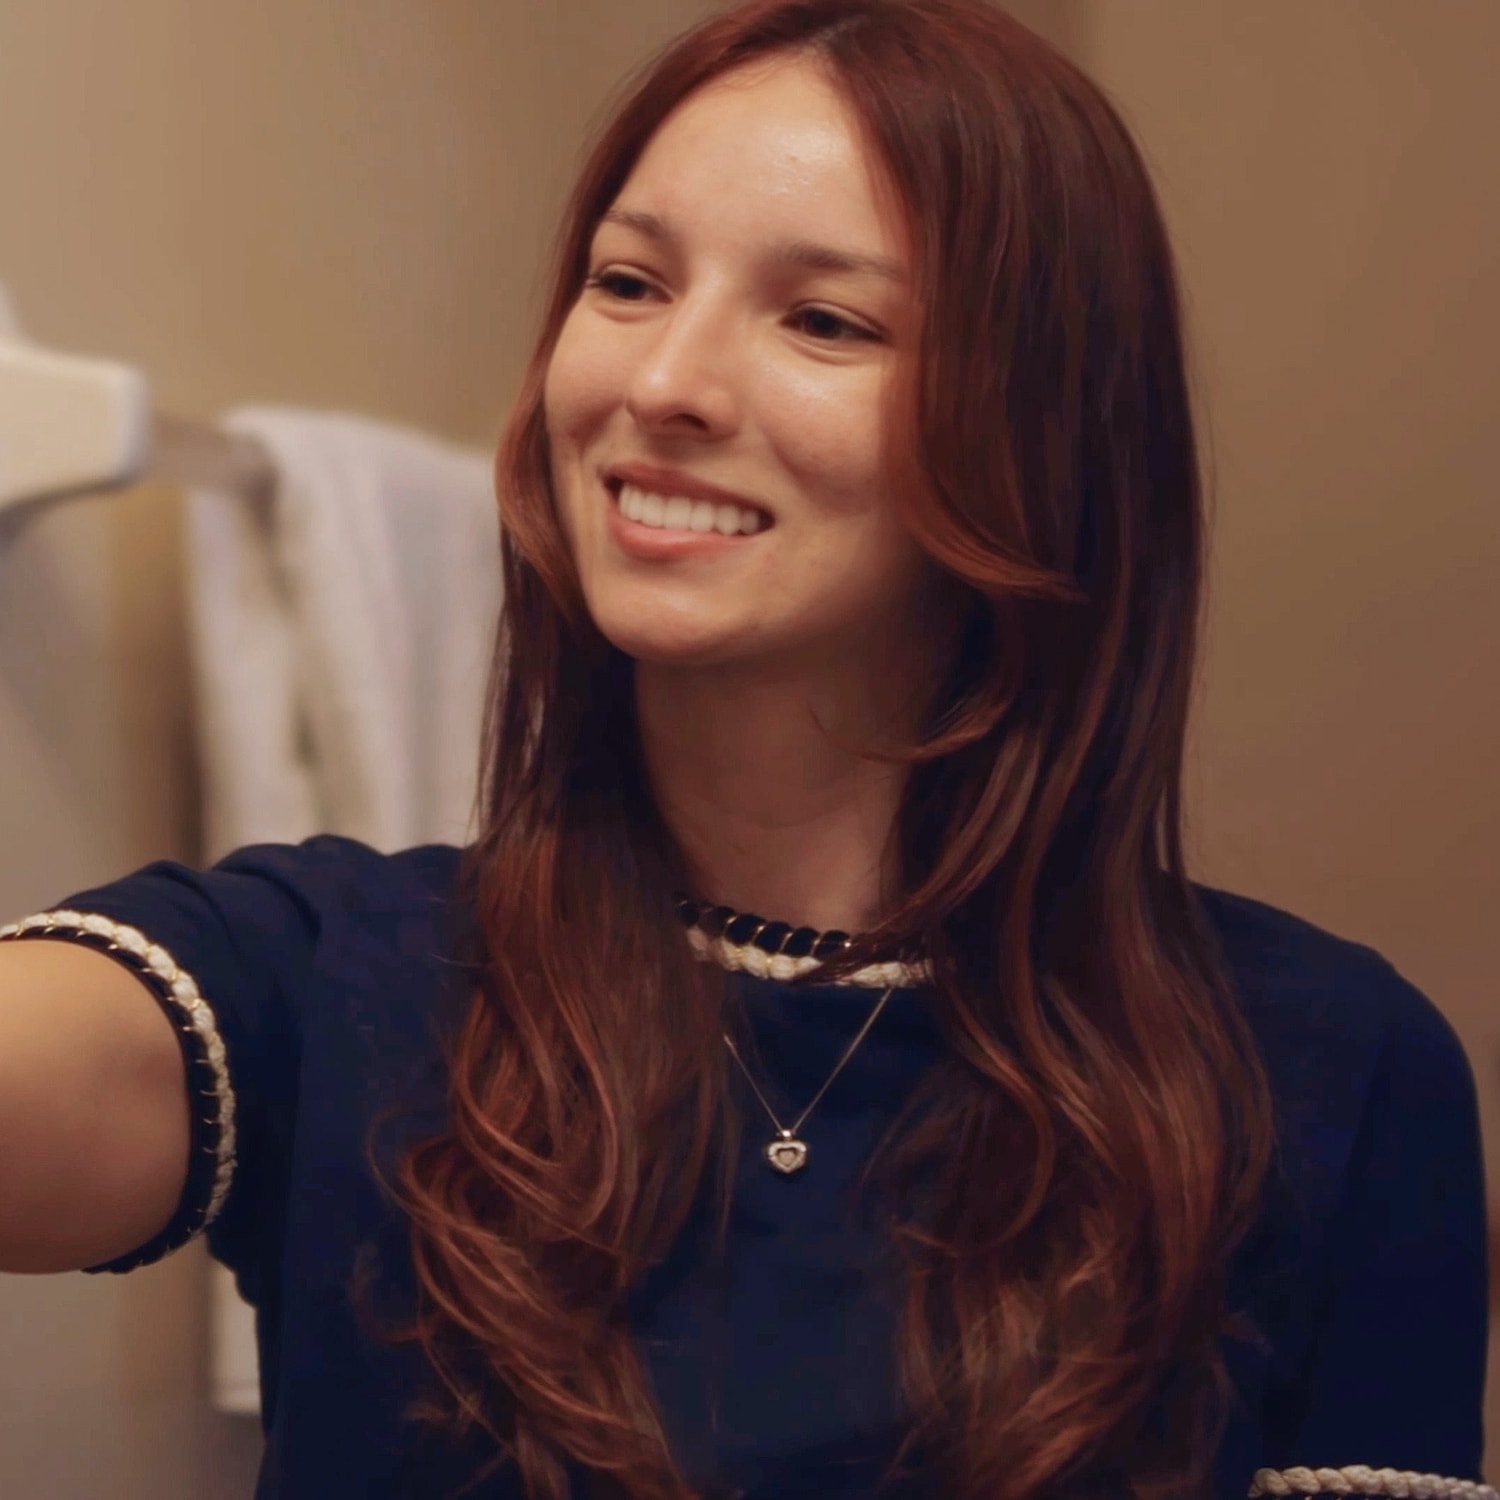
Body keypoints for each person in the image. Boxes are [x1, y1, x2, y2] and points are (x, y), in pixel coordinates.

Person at [0, 2, 1488, 1497]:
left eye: (824, 319)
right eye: (630, 282)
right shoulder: (324, 976)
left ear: (1041, 437)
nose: (662, 386)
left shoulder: (1331, 1074)